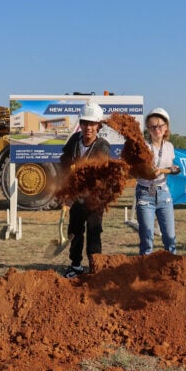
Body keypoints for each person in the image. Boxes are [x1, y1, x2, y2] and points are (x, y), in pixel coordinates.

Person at [59, 101, 111, 278]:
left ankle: (95, 267)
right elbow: (65, 163)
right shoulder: (74, 141)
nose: (89, 127)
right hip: (76, 197)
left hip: (95, 198)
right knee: (74, 231)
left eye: (92, 124)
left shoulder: (102, 147)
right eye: (85, 123)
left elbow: (93, 179)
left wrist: (72, 195)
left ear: (98, 126)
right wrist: (65, 188)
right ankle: (75, 266)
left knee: (94, 232)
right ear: (80, 124)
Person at [136, 107, 180, 255]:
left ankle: (171, 269)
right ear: (148, 129)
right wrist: (147, 172)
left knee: (170, 238)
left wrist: (164, 170)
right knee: (147, 240)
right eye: (153, 126)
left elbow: (172, 168)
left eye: (160, 125)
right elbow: (135, 170)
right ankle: (144, 274)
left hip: (163, 193)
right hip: (145, 193)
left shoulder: (169, 147)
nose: (157, 129)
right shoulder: (143, 147)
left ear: (166, 127)